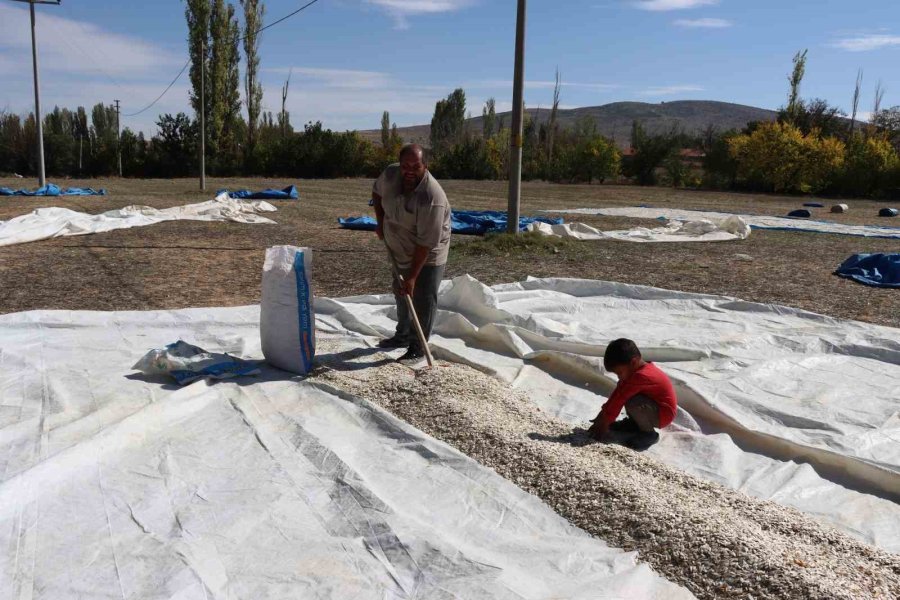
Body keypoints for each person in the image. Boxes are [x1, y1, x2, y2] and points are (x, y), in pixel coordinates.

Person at [371, 144, 451, 364]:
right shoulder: (389, 174)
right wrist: (380, 222)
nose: (409, 170)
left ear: (425, 166)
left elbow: (426, 244)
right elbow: (377, 193)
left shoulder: (431, 197)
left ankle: (417, 347)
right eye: (405, 165)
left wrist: (413, 277)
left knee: (422, 297)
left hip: (429, 251)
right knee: (401, 290)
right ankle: (403, 335)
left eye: (415, 166)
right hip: (399, 243)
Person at [587, 338, 677, 450]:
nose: (619, 376)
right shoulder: (634, 371)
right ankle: (634, 424)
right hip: (653, 407)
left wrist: (605, 423)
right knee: (626, 392)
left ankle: (648, 434)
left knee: (632, 401)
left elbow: (620, 399)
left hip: (663, 415)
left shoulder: (641, 376)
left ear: (633, 362)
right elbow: (617, 395)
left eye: (619, 372)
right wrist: (603, 415)